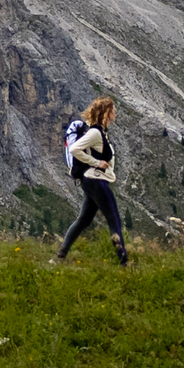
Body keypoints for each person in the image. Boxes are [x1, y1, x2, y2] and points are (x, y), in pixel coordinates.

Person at [56, 95, 128, 265]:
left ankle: (60, 255)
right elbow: (74, 149)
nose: (115, 115)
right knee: (113, 218)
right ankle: (124, 261)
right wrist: (96, 162)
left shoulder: (100, 132)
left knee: (84, 220)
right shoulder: (95, 132)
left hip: (92, 181)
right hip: (95, 181)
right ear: (106, 113)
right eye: (113, 111)